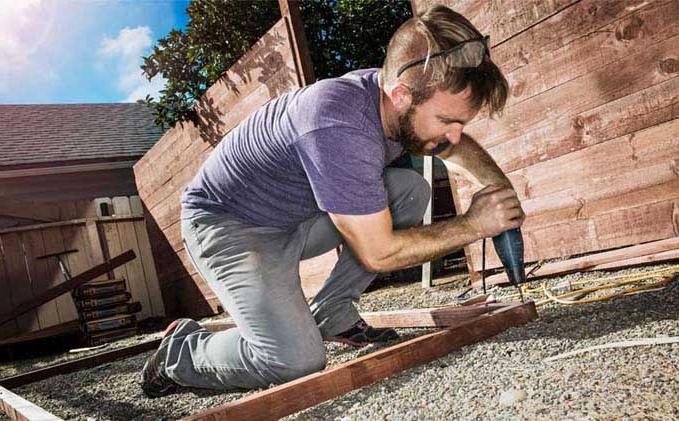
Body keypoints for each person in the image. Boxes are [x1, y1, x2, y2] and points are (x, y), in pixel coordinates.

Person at [140, 4, 524, 397]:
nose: (455, 135)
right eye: (448, 122)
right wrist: (474, 225)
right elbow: (379, 253)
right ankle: (180, 352)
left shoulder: (392, 101)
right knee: (294, 361)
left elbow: (450, 147)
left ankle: (332, 311)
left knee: (411, 191)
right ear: (402, 95)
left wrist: (499, 189)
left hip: (294, 218)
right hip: (228, 226)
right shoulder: (338, 123)